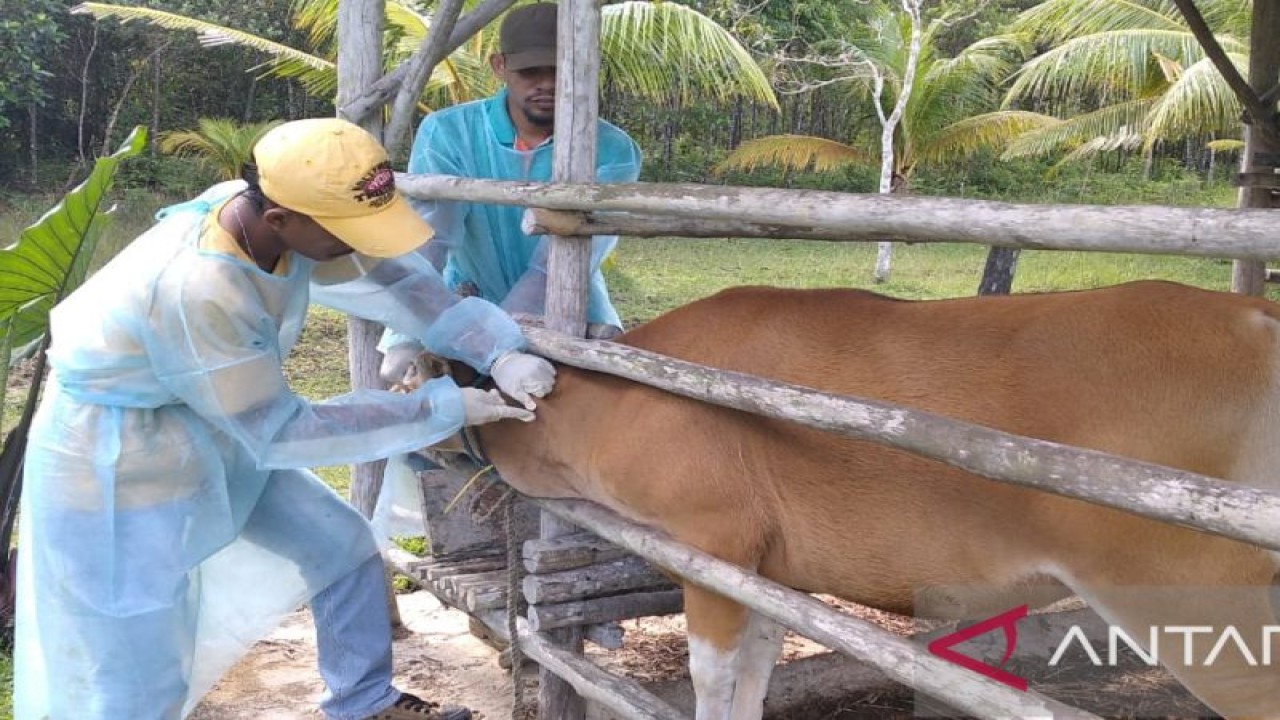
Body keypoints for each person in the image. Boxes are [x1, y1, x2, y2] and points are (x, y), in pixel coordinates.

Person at [14, 118, 558, 720]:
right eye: (345, 230)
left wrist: (495, 349)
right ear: (280, 220)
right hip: (118, 462)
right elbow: (282, 429)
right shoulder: (200, 287)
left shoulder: (261, 211)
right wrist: (440, 407)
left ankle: (364, 703)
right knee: (136, 661)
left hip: (214, 428)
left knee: (341, 545)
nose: (357, 242)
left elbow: (395, 277)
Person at [378, 1, 643, 384]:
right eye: (530, 71)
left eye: (559, 70)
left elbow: (550, 268)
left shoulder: (613, 149)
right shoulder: (448, 132)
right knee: (407, 388)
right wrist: (416, 329)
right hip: (464, 299)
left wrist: (493, 342)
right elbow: (430, 240)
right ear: (499, 66)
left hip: (568, 306)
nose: (547, 83)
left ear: (585, 66)